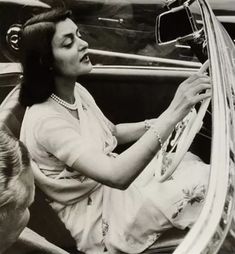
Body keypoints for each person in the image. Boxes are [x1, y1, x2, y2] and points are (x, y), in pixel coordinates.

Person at [19, 8, 211, 254]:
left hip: (110, 191)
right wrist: (172, 114)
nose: (83, 44)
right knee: (203, 186)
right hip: (99, 217)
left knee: (190, 162)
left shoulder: (74, 92)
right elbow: (116, 177)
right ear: (46, 61)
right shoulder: (46, 121)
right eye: (69, 43)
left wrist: (157, 122)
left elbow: (113, 133)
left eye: (79, 35)